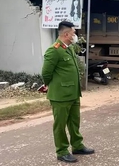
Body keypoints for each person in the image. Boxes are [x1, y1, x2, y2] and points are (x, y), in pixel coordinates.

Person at [42, 21, 94, 163]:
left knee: (74, 122)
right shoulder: (54, 50)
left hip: (73, 93)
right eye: (73, 33)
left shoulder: (68, 48)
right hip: (60, 96)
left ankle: (77, 145)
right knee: (60, 125)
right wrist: (51, 85)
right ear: (66, 34)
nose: (75, 35)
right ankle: (62, 151)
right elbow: (46, 73)